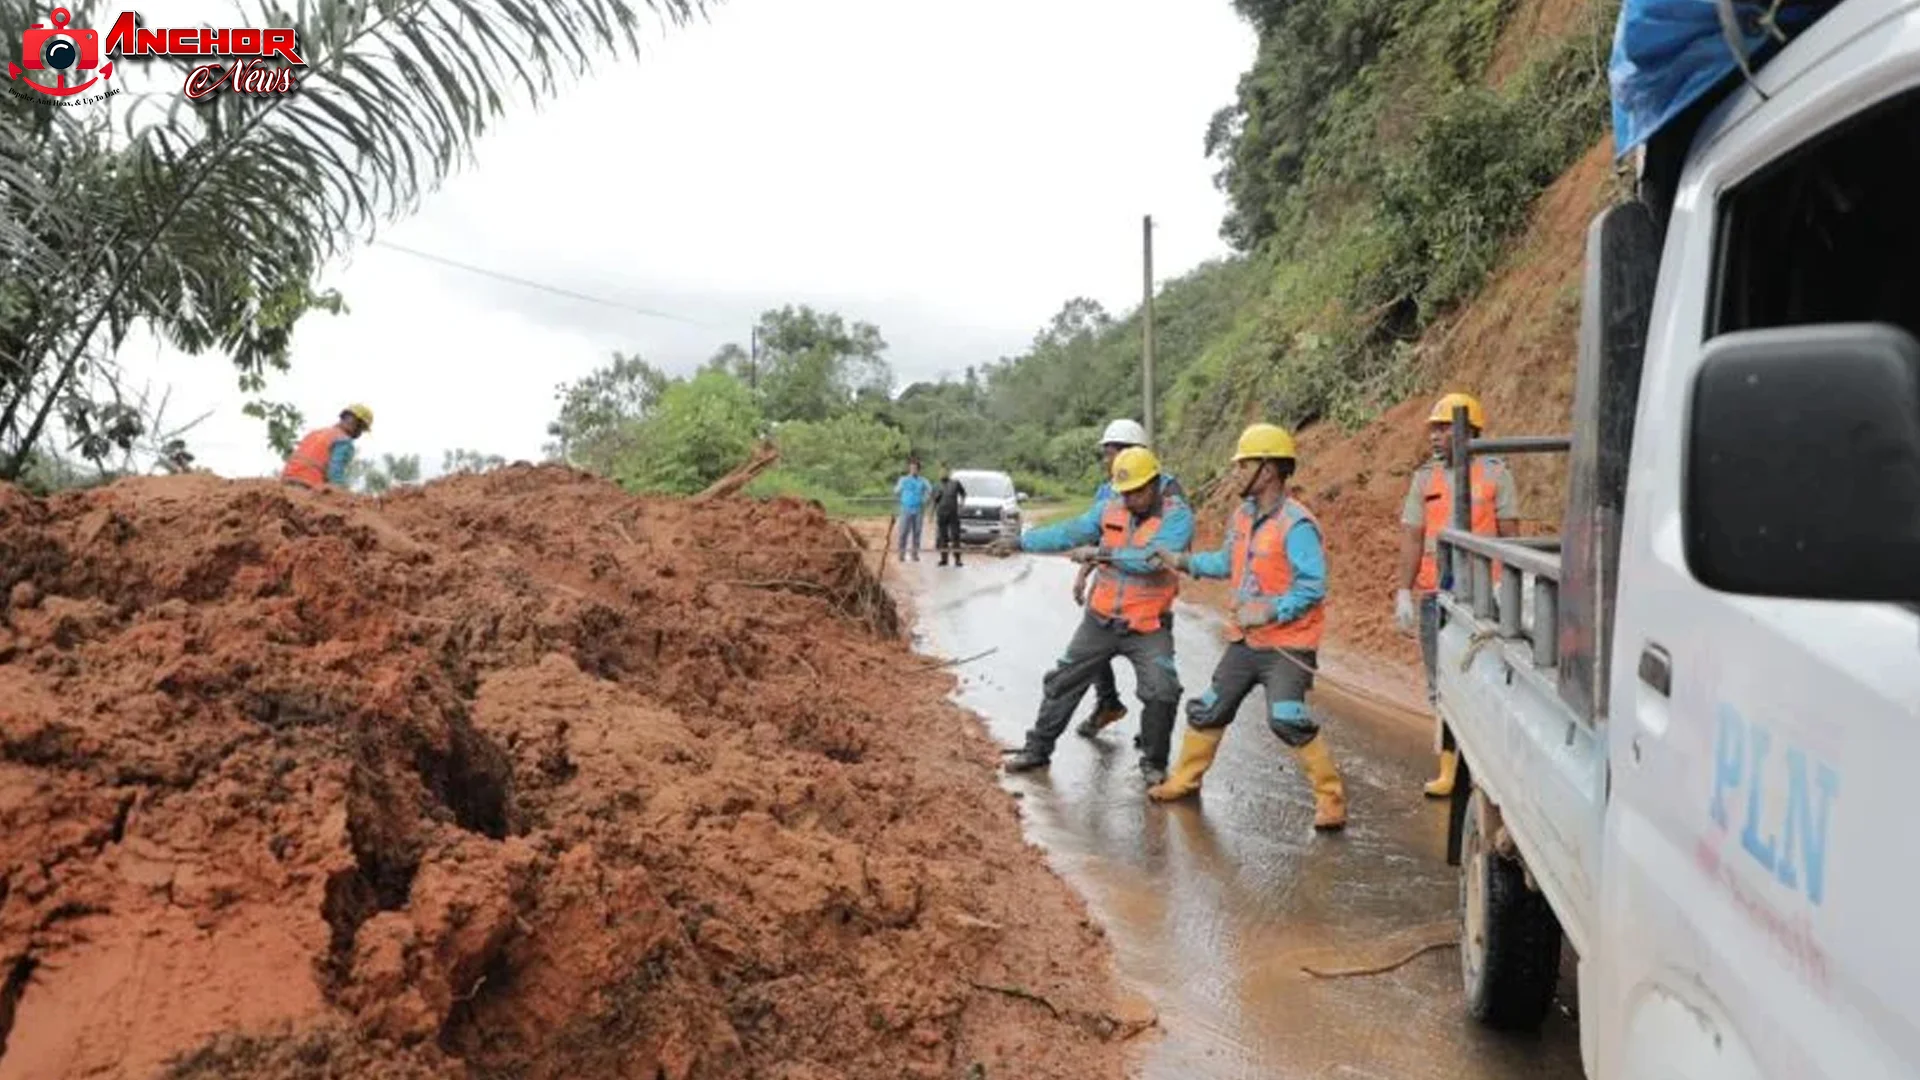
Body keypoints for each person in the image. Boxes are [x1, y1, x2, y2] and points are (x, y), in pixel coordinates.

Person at [1147, 423, 1347, 830]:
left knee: (1287, 717)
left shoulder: (1298, 524)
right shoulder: (1242, 516)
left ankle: (1331, 800)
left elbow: (1313, 586)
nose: (1237, 473)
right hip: (1245, 640)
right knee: (1209, 708)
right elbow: (1226, 562)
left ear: (1269, 470)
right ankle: (1184, 781)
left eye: (1244, 465)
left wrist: (1271, 611)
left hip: (1287, 644)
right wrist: (1182, 561)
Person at [990, 447, 1193, 785]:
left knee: (1162, 691)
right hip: (1100, 619)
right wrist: (1021, 543)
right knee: (1063, 680)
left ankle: (1154, 763)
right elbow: (1069, 531)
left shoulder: (1177, 516)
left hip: (1148, 625)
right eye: (1125, 493)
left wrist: (1102, 552)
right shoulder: (1110, 506)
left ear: (1155, 483)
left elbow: (1151, 560)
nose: (1131, 500)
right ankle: (1037, 749)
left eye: (1138, 492)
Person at [1393, 392, 1518, 798]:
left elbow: (1511, 535)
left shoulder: (1496, 473)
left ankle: (1485, 764)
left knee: (1485, 678)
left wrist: (1509, 585)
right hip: (1435, 593)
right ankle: (1449, 770)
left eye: (1445, 427)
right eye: (1434, 428)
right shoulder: (1423, 479)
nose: (1436, 435)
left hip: (1486, 597)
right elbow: (1412, 538)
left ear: (1470, 431)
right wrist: (1402, 592)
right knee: (1440, 683)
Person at [1070, 418, 1181, 741]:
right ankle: (1107, 703)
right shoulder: (1107, 491)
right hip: (1109, 582)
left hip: (1149, 592)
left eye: (1112, 453)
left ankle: (1152, 729)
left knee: (1156, 666)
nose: (1107, 461)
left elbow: (1170, 546)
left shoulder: (1167, 492)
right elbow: (1100, 538)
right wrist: (1083, 573)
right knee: (1092, 647)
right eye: (1105, 454)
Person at [281, 404, 372, 490]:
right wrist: (341, 493)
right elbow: (335, 473)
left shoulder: (315, 433)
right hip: (309, 485)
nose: (360, 433)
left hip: (285, 481)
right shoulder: (344, 441)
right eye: (361, 428)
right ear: (357, 424)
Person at [893, 458, 933, 562]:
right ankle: (901, 553)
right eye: (911, 468)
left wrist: (925, 500)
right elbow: (896, 491)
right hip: (906, 509)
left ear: (918, 470)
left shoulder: (923, 480)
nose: (913, 470)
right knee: (903, 532)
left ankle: (914, 554)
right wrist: (900, 489)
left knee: (917, 532)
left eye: (915, 468)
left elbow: (930, 491)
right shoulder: (904, 479)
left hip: (918, 509)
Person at [934, 468, 968, 566]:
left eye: (945, 471)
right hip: (941, 514)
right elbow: (934, 501)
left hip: (953, 514)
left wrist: (961, 505)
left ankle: (957, 559)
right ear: (939, 473)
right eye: (941, 472)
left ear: (948, 473)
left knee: (955, 536)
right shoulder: (936, 485)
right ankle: (944, 559)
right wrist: (931, 514)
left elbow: (964, 494)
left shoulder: (955, 483)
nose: (943, 473)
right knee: (943, 537)